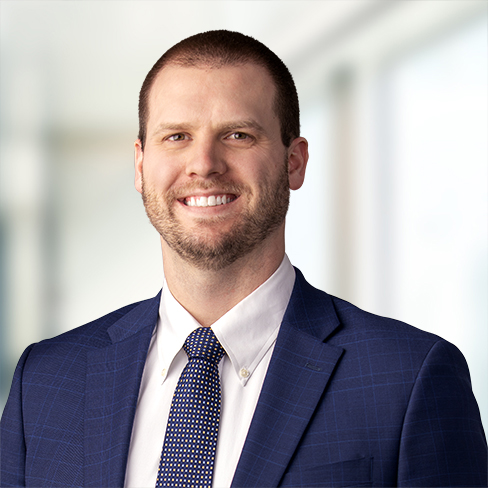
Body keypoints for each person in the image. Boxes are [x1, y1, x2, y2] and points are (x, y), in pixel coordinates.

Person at [1, 30, 486, 488]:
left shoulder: (409, 378)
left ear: (293, 161)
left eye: (237, 135)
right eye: (176, 136)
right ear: (140, 164)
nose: (205, 163)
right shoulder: (45, 382)